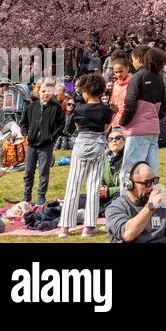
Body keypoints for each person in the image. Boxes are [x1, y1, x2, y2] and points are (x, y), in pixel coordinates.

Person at [56, 72, 113, 238]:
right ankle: (89, 226)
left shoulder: (78, 109)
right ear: (101, 91)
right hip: (98, 146)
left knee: (72, 186)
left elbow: (70, 128)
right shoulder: (106, 109)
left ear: (85, 92)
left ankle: (64, 227)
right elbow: (106, 127)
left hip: (80, 146)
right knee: (93, 187)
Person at [104, 161, 166, 243]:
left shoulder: (163, 206)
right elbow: (127, 234)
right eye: (147, 183)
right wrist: (150, 207)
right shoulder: (116, 208)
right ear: (129, 184)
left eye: (154, 181)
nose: (152, 187)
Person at [120, 45, 166, 176]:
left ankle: (127, 196)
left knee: (130, 169)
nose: (132, 63)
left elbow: (130, 104)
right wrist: (153, 118)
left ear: (139, 59)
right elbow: (164, 105)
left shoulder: (136, 77)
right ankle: (151, 194)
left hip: (137, 130)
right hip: (153, 129)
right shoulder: (158, 77)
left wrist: (122, 122)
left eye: (133, 59)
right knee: (151, 169)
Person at [20, 78, 67, 206]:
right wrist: (25, 135)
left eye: (49, 91)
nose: (46, 93)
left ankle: (41, 196)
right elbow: (23, 123)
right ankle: (26, 196)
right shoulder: (31, 107)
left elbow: (61, 124)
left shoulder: (56, 108)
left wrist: (52, 137)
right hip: (32, 144)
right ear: (38, 91)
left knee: (43, 172)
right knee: (28, 171)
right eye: (43, 91)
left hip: (46, 145)